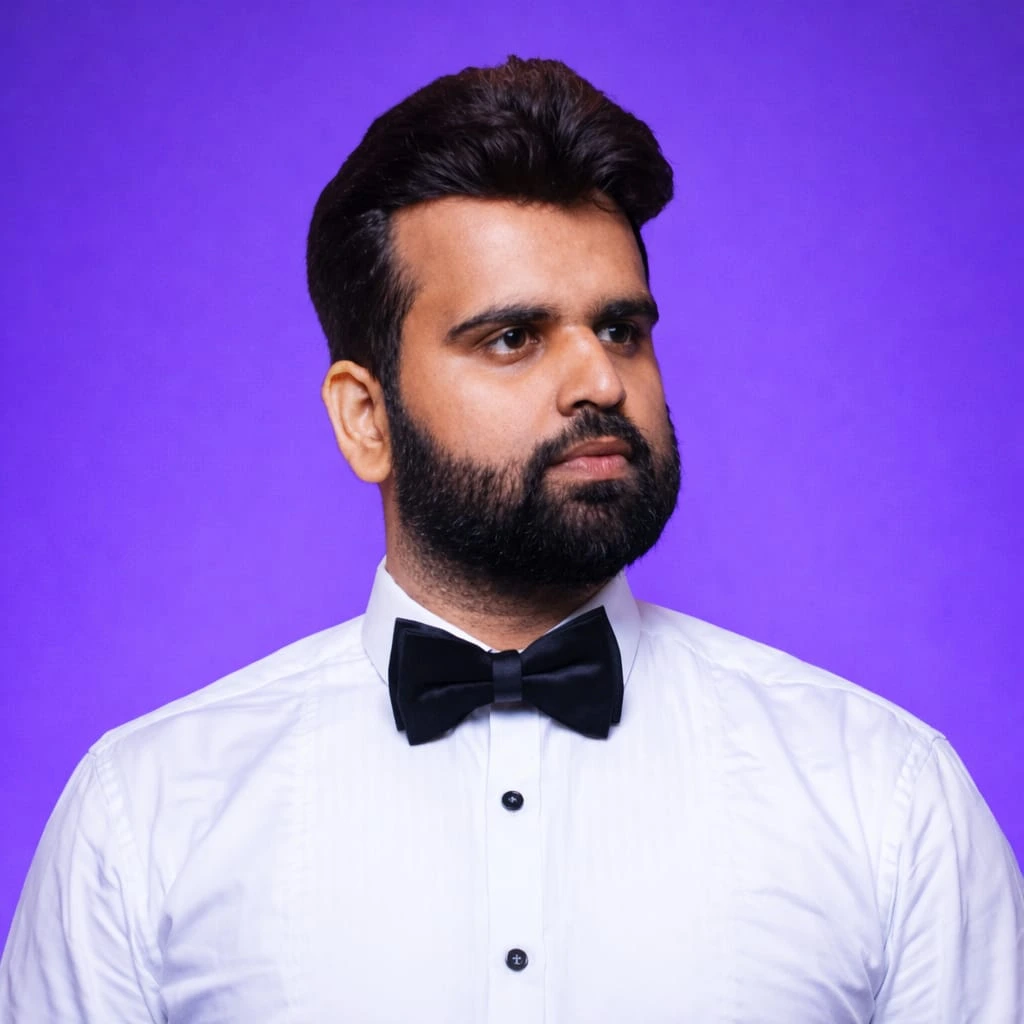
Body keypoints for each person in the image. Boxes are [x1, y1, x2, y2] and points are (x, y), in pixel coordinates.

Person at [1, 55, 1021, 1023]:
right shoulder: (144, 818)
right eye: (512, 337)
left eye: (620, 329)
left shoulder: (886, 798)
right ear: (366, 418)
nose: (600, 381)